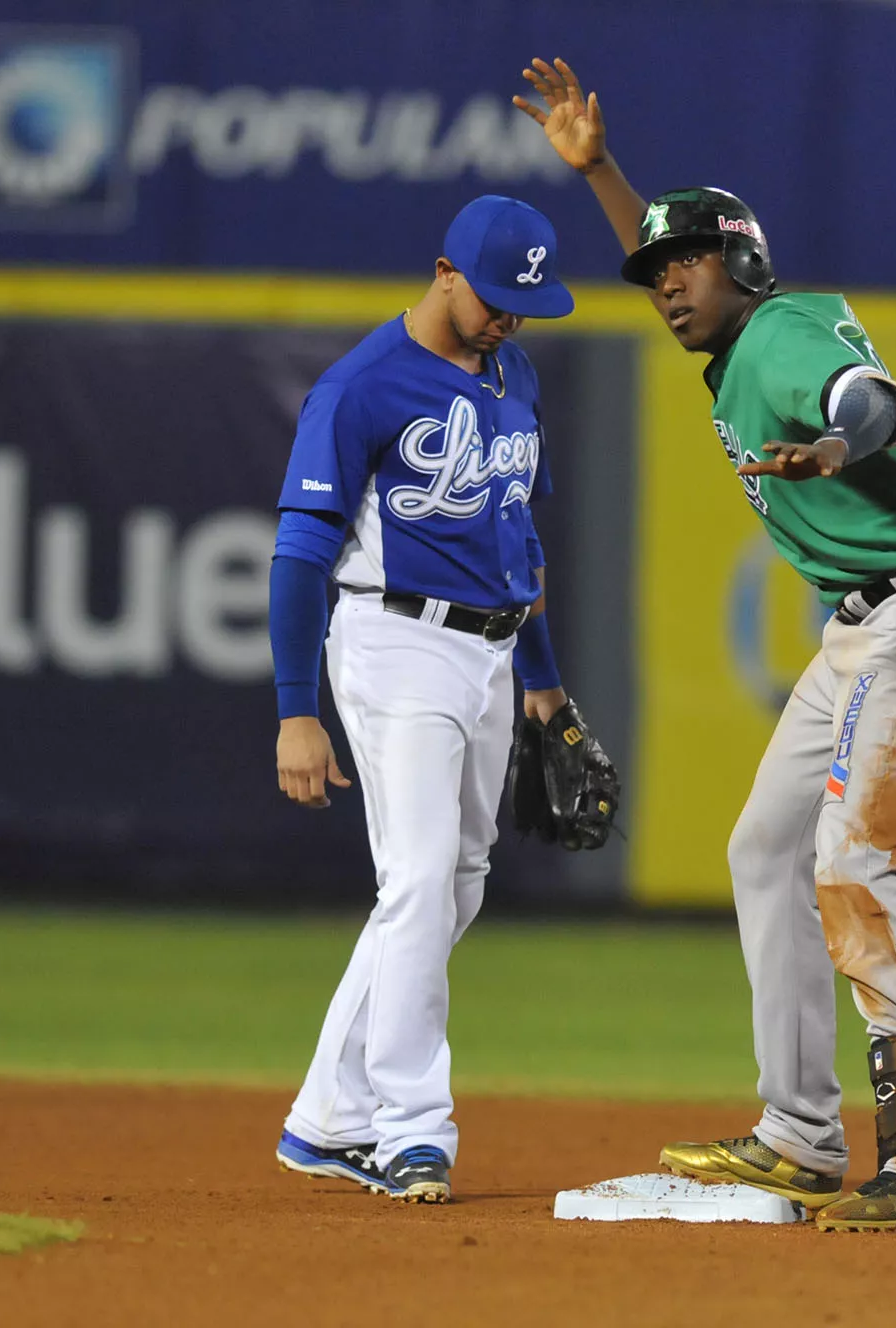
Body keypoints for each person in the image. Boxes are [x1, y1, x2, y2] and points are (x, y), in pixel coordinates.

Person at [516, 58, 896, 1232]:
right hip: (874, 617)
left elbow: (877, 400)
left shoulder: (786, 336)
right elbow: (683, 263)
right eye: (651, 273)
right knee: (766, 848)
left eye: (685, 264)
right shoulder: (742, 340)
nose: (664, 286)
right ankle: (798, 1132)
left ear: (742, 264)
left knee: (851, 857)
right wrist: (600, 171)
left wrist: (837, 448)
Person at [266, 194, 603, 1204]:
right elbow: (299, 554)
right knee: (416, 879)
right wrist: (295, 708)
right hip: (393, 639)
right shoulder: (361, 386)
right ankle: (409, 1128)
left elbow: (519, 544)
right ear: (445, 270)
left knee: (453, 881)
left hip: (491, 654)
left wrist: (542, 682)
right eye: (496, 298)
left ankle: (327, 1115)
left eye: (525, 305)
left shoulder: (514, 369)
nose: (508, 318)